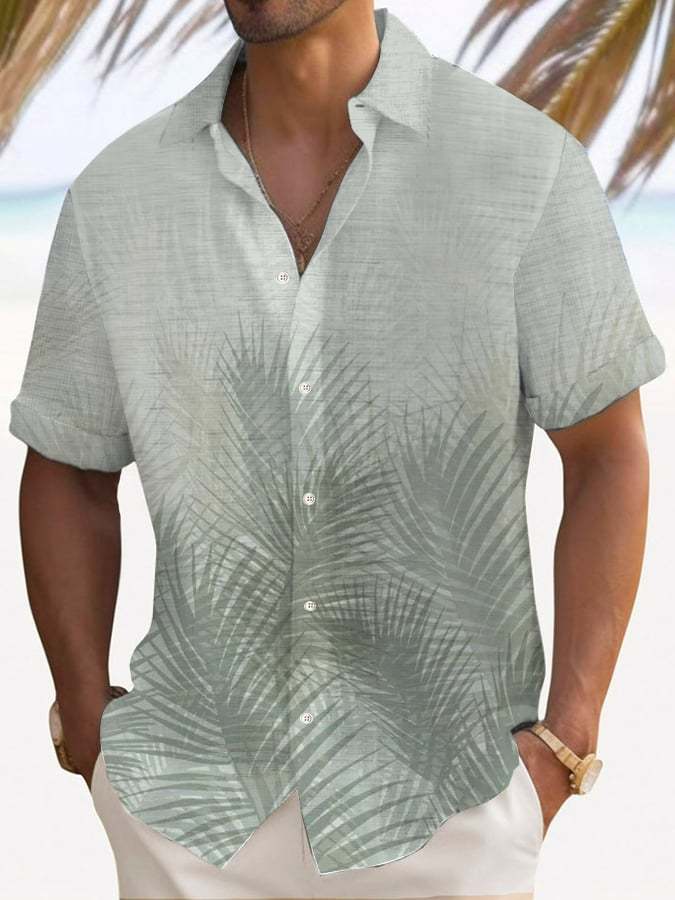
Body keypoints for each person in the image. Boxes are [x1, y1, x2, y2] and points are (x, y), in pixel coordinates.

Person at [9, 1, 666, 898]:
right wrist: (87, 727)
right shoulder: (119, 196)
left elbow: (605, 453)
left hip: (451, 805)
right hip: (184, 813)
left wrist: (568, 739)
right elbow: (68, 464)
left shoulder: (522, 167)